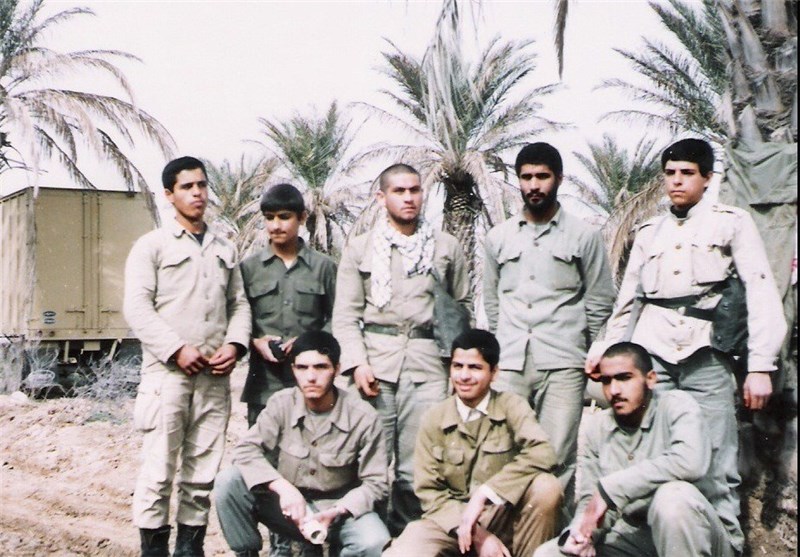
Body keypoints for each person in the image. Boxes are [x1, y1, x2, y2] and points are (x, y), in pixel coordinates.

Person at [586, 138, 786, 554]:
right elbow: (630, 299)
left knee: (714, 458)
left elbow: (760, 289)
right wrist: (608, 349)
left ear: (707, 178)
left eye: (687, 173)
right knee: (653, 450)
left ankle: (724, 542)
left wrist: (761, 364)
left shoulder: (731, 222)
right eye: (670, 173)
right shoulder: (649, 232)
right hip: (654, 355)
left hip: (706, 354)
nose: (676, 181)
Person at [332, 163, 471, 535]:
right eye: (399, 191)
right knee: (370, 462)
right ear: (382, 198)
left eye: (415, 190)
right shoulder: (360, 248)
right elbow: (345, 316)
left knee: (418, 465)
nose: (409, 198)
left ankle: (408, 540)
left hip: (427, 366)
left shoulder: (445, 246)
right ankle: (367, 541)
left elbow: (461, 309)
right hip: (375, 365)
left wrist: (456, 368)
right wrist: (357, 364)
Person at [124, 156, 252, 557]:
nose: (197, 193)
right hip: (167, 378)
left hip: (213, 380)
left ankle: (190, 550)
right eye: (187, 187)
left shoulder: (225, 247)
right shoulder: (152, 246)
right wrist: (176, 350)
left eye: (202, 185)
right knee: (158, 472)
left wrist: (235, 346)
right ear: (169, 195)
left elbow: (239, 304)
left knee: (202, 475)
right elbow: (137, 308)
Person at [484, 142, 615, 504]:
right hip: (511, 362)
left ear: (559, 179)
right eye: (526, 177)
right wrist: (503, 344)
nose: (534, 185)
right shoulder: (499, 237)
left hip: (563, 363)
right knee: (501, 451)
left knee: (556, 457)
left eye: (542, 176)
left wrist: (577, 344)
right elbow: (492, 300)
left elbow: (600, 298)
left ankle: (553, 532)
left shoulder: (583, 236)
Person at [535, 342, 736, 557]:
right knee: (549, 554)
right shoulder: (599, 427)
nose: (614, 390)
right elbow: (591, 501)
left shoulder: (677, 406)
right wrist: (582, 534)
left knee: (672, 498)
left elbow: (690, 463)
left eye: (624, 378)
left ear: (650, 379)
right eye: (606, 381)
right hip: (637, 539)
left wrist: (611, 489)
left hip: (700, 535)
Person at [384, 329, 562, 557]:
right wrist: (479, 536)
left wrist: (487, 492)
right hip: (450, 522)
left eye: (475, 368)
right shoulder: (434, 418)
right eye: (458, 366)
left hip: (502, 514)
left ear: (494, 372)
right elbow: (429, 492)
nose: (464, 376)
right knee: (403, 552)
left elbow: (544, 452)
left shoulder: (511, 406)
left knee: (546, 487)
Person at [214, 331, 390, 557]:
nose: (311, 377)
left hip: (338, 509)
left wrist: (339, 510)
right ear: (293, 369)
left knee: (374, 541)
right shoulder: (281, 403)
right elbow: (246, 450)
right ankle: (246, 553)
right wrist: (282, 487)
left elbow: (376, 483)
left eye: (321, 367)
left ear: (336, 369)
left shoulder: (363, 416)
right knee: (229, 481)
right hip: (288, 506)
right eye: (302, 368)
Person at [239, 183, 337, 427]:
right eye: (269, 217)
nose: (275, 225)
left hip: (311, 383)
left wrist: (310, 342)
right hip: (263, 384)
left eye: (284, 217)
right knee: (262, 446)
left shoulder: (324, 267)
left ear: (302, 217)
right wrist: (255, 341)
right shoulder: (249, 269)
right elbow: (237, 316)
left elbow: (339, 317)